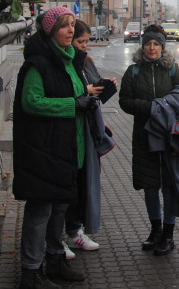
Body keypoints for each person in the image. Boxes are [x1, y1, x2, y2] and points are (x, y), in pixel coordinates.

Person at [12, 7, 88, 289]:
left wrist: (89, 97)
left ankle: (56, 263)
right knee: (40, 211)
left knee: (59, 208)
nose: (71, 30)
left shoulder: (69, 60)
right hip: (43, 149)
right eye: (64, 26)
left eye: (72, 25)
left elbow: (74, 93)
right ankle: (30, 273)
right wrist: (73, 104)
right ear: (50, 31)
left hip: (66, 147)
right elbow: (31, 102)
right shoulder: (38, 64)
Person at [119, 23, 179, 256]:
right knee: (150, 186)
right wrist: (149, 108)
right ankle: (155, 230)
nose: (152, 48)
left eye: (156, 44)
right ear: (143, 45)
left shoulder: (172, 70)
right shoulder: (133, 72)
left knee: (169, 186)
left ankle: (168, 234)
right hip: (144, 135)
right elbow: (125, 101)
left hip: (170, 136)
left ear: (162, 46)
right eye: (148, 44)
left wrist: (164, 107)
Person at [64, 21, 117, 255]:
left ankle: (75, 231)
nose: (85, 46)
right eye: (80, 42)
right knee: (69, 185)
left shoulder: (86, 61)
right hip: (69, 132)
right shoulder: (65, 63)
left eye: (86, 42)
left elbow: (93, 97)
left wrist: (103, 89)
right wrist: (86, 91)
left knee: (83, 184)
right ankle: (60, 236)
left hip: (88, 130)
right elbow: (63, 93)